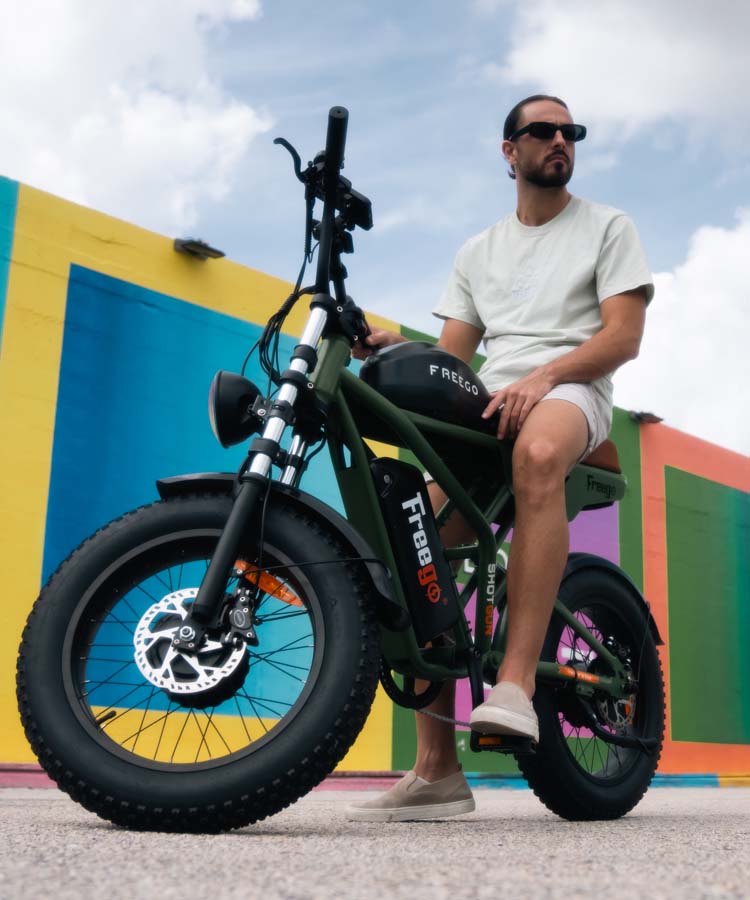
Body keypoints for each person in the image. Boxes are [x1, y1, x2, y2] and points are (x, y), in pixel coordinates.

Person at [347, 94, 654, 823]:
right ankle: (437, 770)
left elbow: (623, 338)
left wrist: (545, 376)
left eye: (570, 132)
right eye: (542, 131)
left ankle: (514, 684)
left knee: (540, 450)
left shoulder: (609, 227)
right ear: (508, 151)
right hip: (494, 404)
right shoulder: (478, 250)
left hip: (570, 391)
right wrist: (395, 347)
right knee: (412, 529)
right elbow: (452, 358)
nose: (560, 141)